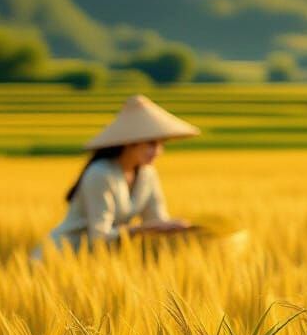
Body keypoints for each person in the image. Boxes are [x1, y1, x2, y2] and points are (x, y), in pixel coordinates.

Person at [35, 95, 200, 256]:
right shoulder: (100, 173)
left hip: (96, 260)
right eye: (151, 144)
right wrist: (144, 229)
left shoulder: (147, 174)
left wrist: (178, 228)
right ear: (130, 142)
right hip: (58, 256)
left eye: (161, 144)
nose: (158, 152)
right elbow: (99, 236)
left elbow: (156, 220)